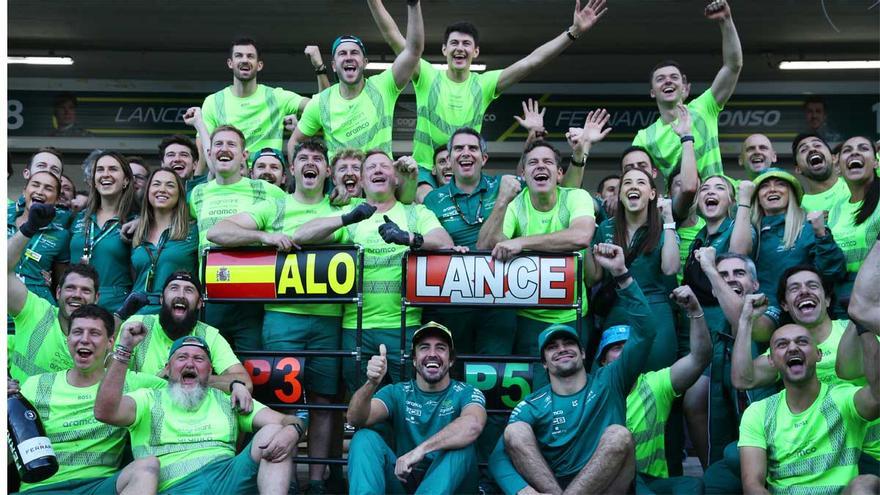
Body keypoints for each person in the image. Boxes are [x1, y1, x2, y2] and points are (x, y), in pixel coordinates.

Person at [207, 138, 344, 491]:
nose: (310, 163)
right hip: (281, 316)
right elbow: (217, 232)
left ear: (327, 170)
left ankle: (315, 480)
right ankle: (281, 475)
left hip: (329, 318)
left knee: (324, 399)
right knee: (282, 400)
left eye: (317, 158)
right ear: (292, 169)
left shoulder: (340, 205)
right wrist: (265, 236)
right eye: (302, 158)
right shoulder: (275, 203)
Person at [367, 0, 607, 198]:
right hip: (426, 170)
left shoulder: (483, 84)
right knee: (427, 203)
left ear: (476, 52)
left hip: (466, 171)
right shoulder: (427, 74)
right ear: (444, 50)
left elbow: (532, 61)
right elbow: (394, 37)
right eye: (454, 43)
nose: (460, 48)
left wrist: (573, 32)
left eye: (466, 44)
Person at [488, 243, 653, 495]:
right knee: (515, 431)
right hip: (555, 486)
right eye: (552, 347)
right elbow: (498, 458)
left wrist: (621, 273)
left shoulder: (609, 380)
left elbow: (645, 331)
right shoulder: (533, 404)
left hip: (611, 487)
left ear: (584, 352)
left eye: (569, 343)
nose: (562, 348)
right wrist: (521, 490)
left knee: (619, 435)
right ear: (544, 362)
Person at [292, 150, 457, 391]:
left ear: (396, 178)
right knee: (360, 405)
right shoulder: (353, 213)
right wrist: (346, 219)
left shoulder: (414, 212)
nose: (377, 170)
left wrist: (408, 237)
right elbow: (300, 235)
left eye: (384, 166)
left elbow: (444, 241)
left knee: (407, 402)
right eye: (370, 167)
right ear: (360, 180)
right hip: (356, 327)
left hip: (404, 325)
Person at [94, 329, 305, 494]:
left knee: (275, 432)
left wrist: (293, 431)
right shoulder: (148, 398)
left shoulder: (228, 399)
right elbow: (105, 412)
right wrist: (124, 351)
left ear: (210, 370)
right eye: (182, 357)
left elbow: (287, 420)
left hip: (227, 481)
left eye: (199, 359)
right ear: (167, 368)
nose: (190, 363)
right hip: (173, 487)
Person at [8, 304, 163, 495]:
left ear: (110, 342)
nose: (84, 339)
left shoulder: (128, 381)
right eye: (78, 332)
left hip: (97, 486)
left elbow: (185, 388)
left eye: (95, 333)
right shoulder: (34, 385)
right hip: (41, 488)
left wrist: (173, 370)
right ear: (68, 340)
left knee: (147, 467)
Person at [479, 140, 595, 382]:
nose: (539, 166)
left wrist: (522, 242)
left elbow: (581, 236)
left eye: (547, 162)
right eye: (532, 162)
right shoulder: (516, 201)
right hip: (527, 319)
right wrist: (502, 200)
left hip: (571, 316)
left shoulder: (576, 196)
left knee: (571, 386)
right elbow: (485, 245)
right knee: (535, 391)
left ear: (560, 174)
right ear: (523, 174)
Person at [738, 317, 880, 492]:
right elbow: (752, 484)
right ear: (771, 360)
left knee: (865, 484)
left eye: (802, 342)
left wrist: (863, 325)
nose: (793, 347)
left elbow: (877, 396)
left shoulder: (841, 398)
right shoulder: (758, 412)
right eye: (782, 345)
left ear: (818, 354)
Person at [346, 322, 487, 493]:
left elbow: (472, 425)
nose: (432, 354)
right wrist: (371, 383)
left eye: (440, 348)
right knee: (364, 438)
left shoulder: (467, 392)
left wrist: (420, 450)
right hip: (404, 481)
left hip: (451, 487)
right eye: (424, 348)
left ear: (451, 361)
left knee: (461, 445)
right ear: (414, 360)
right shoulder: (397, 392)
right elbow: (355, 418)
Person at [596, 285, 710, 494]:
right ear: (602, 361)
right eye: (616, 348)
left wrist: (695, 312)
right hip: (607, 485)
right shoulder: (590, 392)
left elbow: (699, 358)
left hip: (650, 483)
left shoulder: (655, 383)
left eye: (629, 346)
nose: (625, 353)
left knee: (692, 486)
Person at [420, 128, 519, 356]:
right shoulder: (433, 199)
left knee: (494, 373)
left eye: (473, 148)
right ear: (449, 160)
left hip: (499, 300)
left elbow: (556, 188)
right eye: (458, 149)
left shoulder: (503, 186)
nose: (466, 153)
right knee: (453, 372)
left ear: (484, 158)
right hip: (451, 302)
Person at [188, 124, 287, 351]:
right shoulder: (198, 194)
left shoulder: (266, 189)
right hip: (211, 295)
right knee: (209, 366)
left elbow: (300, 206)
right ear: (210, 153)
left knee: (253, 370)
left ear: (244, 156)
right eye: (218, 144)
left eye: (231, 144)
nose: (224, 149)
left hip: (252, 296)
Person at [291, 1, 424, 160]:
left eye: (354, 53)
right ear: (333, 66)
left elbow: (413, 52)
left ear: (365, 62)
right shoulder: (320, 102)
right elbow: (294, 141)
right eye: (342, 54)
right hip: (342, 182)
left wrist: (414, 5)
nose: (348, 57)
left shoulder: (383, 86)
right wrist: (296, 176)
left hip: (379, 180)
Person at [633, 0, 742, 179]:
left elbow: (733, 66)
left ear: (685, 88)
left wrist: (726, 21)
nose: (668, 82)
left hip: (716, 196)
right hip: (679, 204)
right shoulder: (644, 137)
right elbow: (636, 177)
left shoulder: (704, 107)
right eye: (660, 79)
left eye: (674, 77)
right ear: (652, 92)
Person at [587, 167, 679, 373]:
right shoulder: (606, 228)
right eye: (627, 183)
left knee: (655, 377)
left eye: (641, 182)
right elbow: (593, 278)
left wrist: (669, 220)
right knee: (610, 377)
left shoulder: (663, 227)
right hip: (618, 308)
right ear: (620, 195)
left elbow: (671, 268)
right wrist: (586, 241)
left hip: (655, 309)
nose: (633, 186)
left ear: (653, 194)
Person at [121, 271, 253, 405]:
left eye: (189, 290)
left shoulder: (209, 335)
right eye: (174, 288)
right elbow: (109, 376)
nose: (180, 295)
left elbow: (245, 382)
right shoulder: (138, 325)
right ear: (161, 299)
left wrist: (189, 377)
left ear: (199, 303)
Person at [730, 168, 846, 308]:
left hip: (801, 308)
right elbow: (735, 256)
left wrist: (822, 235)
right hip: (761, 309)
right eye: (764, 186)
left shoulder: (809, 228)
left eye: (780, 184)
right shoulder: (748, 231)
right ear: (758, 198)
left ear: (791, 193)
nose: (772, 189)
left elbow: (833, 273)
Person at [8, 211, 97, 382]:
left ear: (97, 297)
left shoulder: (100, 336)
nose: (77, 295)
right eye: (70, 288)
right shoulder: (34, 310)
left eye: (85, 290)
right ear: (57, 292)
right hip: (19, 404)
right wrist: (29, 228)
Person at [201, 37, 311, 158]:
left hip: (266, 173)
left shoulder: (277, 97)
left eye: (250, 56)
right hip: (231, 174)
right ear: (230, 63)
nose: (244, 60)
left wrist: (319, 67)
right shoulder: (213, 102)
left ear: (259, 65)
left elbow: (319, 106)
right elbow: (204, 147)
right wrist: (198, 175)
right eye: (239, 55)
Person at [69, 151, 136, 312]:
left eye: (113, 169)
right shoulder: (78, 218)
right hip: (77, 303)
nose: (105, 174)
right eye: (100, 170)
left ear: (126, 180)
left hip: (116, 307)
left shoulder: (135, 222)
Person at [129, 168, 198, 315]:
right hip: (137, 314)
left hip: (175, 314)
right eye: (156, 184)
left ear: (180, 194)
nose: (162, 189)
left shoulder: (193, 230)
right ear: (148, 191)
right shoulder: (136, 232)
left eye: (170, 185)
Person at [827, 136, 880, 317]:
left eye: (863, 148)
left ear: (875, 163)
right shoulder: (836, 207)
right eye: (847, 150)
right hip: (841, 296)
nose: (855, 152)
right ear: (838, 168)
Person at [7, 172, 70, 303]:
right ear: (24, 191)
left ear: (57, 199)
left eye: (48, 188)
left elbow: (61, 283)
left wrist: (51, 282)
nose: (40, 191)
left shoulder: (61, 235)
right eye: (35, 185)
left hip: (36, 307)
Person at [793, 133, 851, 213]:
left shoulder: (856, 186)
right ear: (798, 169)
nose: (812, 149)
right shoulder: (800, 210)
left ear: (834, 158)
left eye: (817, 145)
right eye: (803, 150)